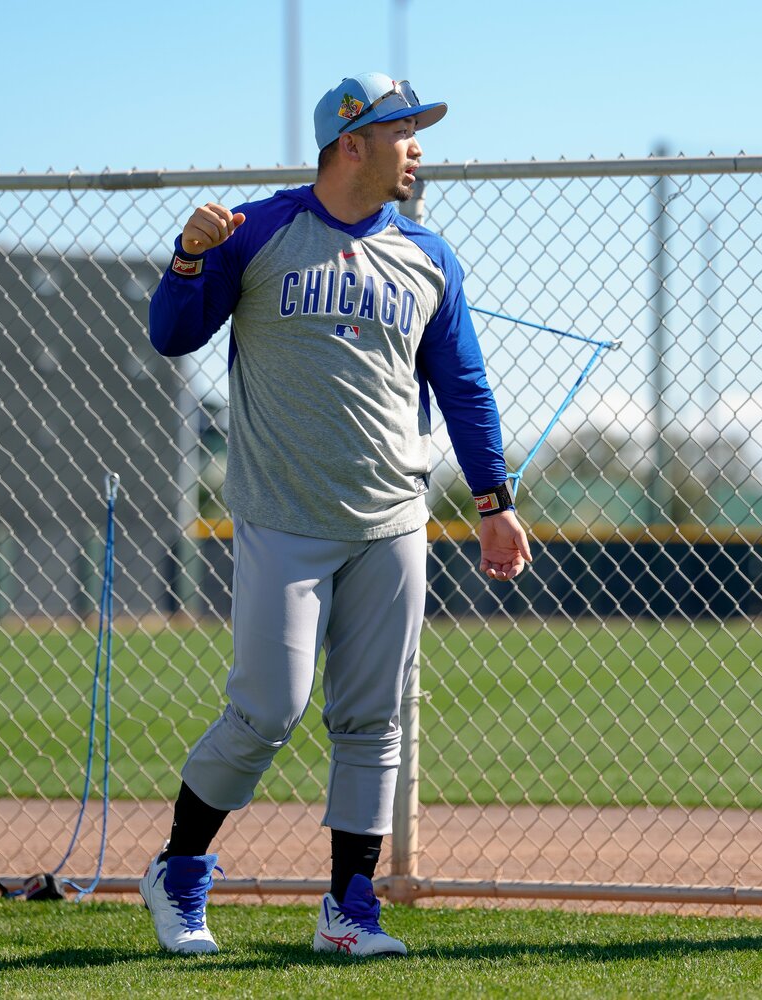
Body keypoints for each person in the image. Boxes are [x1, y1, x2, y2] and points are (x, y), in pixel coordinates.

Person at [141, 71, 532, 957]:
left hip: (394, 519)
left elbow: (463, 386)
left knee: (372, 719)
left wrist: (494, 503)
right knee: (265, 710)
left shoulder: (430, 254)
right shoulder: (260, 230)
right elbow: (172, 334)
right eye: (404, 131)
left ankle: (349, 910)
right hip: (283, 516)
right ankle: (177, 869)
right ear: (350, 142)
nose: (419, 148)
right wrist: (188, 259)